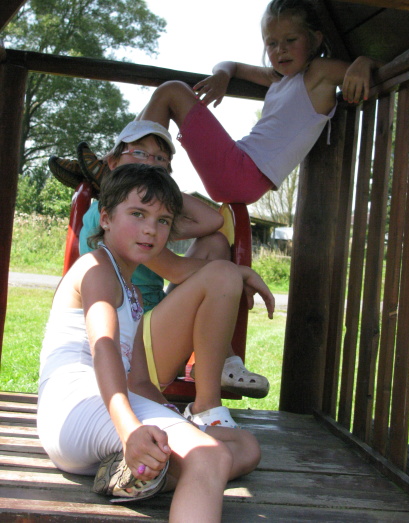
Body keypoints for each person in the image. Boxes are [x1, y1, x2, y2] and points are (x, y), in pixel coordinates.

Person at [37, 164, 273, 518]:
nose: (151, 228)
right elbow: (104, 348)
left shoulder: (132, 293)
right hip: (77, 407)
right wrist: (130, 430)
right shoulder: (96, 269)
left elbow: (140, 382)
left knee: (245, 447)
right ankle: (147, 460)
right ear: (106, 218)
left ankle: (133, 473)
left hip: (101, 415)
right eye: (138, 214)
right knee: (210, 456)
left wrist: (172, 419)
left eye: (163, 220)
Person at [50, 120, 271, 398]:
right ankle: (210, 394)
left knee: (214, 242)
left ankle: (217, 361)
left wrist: (160, 187)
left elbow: (212, 221)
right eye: (138, 152)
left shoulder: (148, 221)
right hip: (132, 352)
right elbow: (176, 270)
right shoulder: (115, 217)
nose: (149, 162)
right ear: (112, 162)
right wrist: (239, 272)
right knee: (222, 273)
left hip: (154, 325)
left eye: (160, 159)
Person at [135, 0, 383, 205]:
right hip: (242, 172)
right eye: (271, 43)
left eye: (290, 40)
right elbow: (230, 64)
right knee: (161, 99)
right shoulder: (278, 80)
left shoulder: (318, 73)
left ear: (315, 39)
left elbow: (384, 69)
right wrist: (222, 76)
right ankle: (128, 161)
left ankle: (131, 174)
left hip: (245, 172)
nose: (280, 49)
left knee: (172, 91)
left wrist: (364, 62)